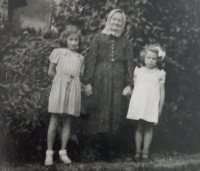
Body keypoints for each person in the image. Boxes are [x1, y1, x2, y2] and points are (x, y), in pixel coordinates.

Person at [83, 9, 134, 159]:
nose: (117, 23)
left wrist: (129, 84)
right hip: (100, 79)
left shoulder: (126, 43)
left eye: (120, 21)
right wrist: (88, 82)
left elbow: (129, 65)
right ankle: (95, 151)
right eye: (114, 19)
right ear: (109, 20)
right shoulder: (98, 39)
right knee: (98, 109)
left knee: (115, 111)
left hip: (118, 81)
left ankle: (111, 152)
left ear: (123, 24)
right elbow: (91, 61)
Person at [44, 25, 84, 166]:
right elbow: (50, 71)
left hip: (73, 88)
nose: (73, 43)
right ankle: (49, 153)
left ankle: (63, 152)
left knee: (68, 120)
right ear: (65, 39)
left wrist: (74, 83)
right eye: (71, 39)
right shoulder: (58, 52)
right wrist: (61, 80)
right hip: (60, 86)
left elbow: (79, 75)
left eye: (76, 40)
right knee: (54, 119)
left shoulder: (80, 57)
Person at [126, 44, 166, 162]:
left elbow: (162, 92)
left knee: (149, 127)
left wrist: (160, 107)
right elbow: (135, 88)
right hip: (139, 104)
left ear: (157, 59)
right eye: (148, 58)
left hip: (151, 105)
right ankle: (137, 150)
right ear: (144, 57)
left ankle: (145, 151)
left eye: (154, 58)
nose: (151, 60)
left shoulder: (159, 73)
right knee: (139, 127)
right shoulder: (138, 71)